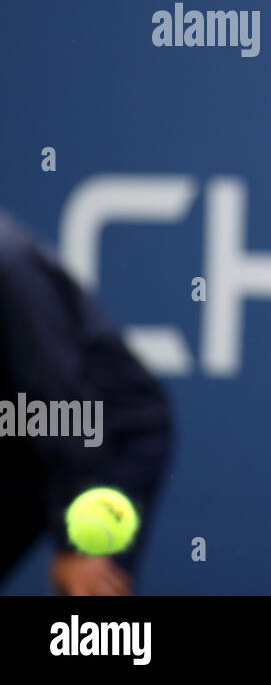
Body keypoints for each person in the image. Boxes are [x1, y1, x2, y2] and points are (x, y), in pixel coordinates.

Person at [0, 209, 173, 595]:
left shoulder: (9, 266)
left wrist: (75, 541)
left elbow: (60, 403)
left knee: (87, 598)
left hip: (106, 435)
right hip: (22, 426)